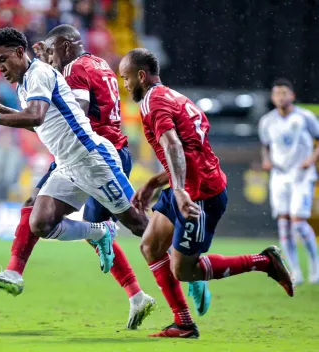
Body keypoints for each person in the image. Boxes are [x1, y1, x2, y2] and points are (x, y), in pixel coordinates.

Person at [0, 27, 152, 326]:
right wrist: (2, 109)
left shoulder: (42, 74)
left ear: (21, 53)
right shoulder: (26, 84)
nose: (0, 69)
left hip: (92, 159)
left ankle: (190, 263)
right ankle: (88, 241)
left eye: (3, 60)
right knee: (40, 221)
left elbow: (37, 116)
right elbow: (42, 124)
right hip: (68, 164)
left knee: (140, 226)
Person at [119, 48, 294, 338]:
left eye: (126, 78)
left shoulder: (153, 102)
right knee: (150, 245)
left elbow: (173, 146)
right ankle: (184, 323)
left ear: (140, 75)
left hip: (198, 194)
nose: (125, 85)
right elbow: (191, 152)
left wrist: (177, 190)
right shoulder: (176, 98)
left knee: (185, 271)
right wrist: (156, 183)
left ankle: (264, 262)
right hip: (186, 186)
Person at [259, 78, 319, 285]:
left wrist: (311, 159)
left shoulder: (305, 117)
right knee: (283, 226)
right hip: (279, 176)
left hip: (301, 176)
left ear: (292, 96)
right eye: (277, 94)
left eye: (285, 93)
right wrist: (266, 160)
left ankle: (315, 266)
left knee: (299, 224)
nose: (281, 97)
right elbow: (265, 146)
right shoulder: (267, 121)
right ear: (273, 97)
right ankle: (295, 271)